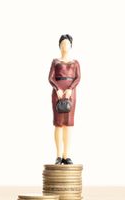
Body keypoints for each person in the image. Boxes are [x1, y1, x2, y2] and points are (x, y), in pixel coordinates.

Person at [48, 34, 81, 165]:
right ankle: (58, 156)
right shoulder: (55, 62)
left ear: (71, 45)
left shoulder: (75, 63)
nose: (64, 46)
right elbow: (50, 78)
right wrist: (58, 89)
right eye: (62, 44)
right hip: (58, 93)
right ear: (59, 46)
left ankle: (66, 155)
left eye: (67, 43)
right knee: (58, 124)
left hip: (70, 94)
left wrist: (70, 89)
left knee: (68, 124)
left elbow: (78, 78)